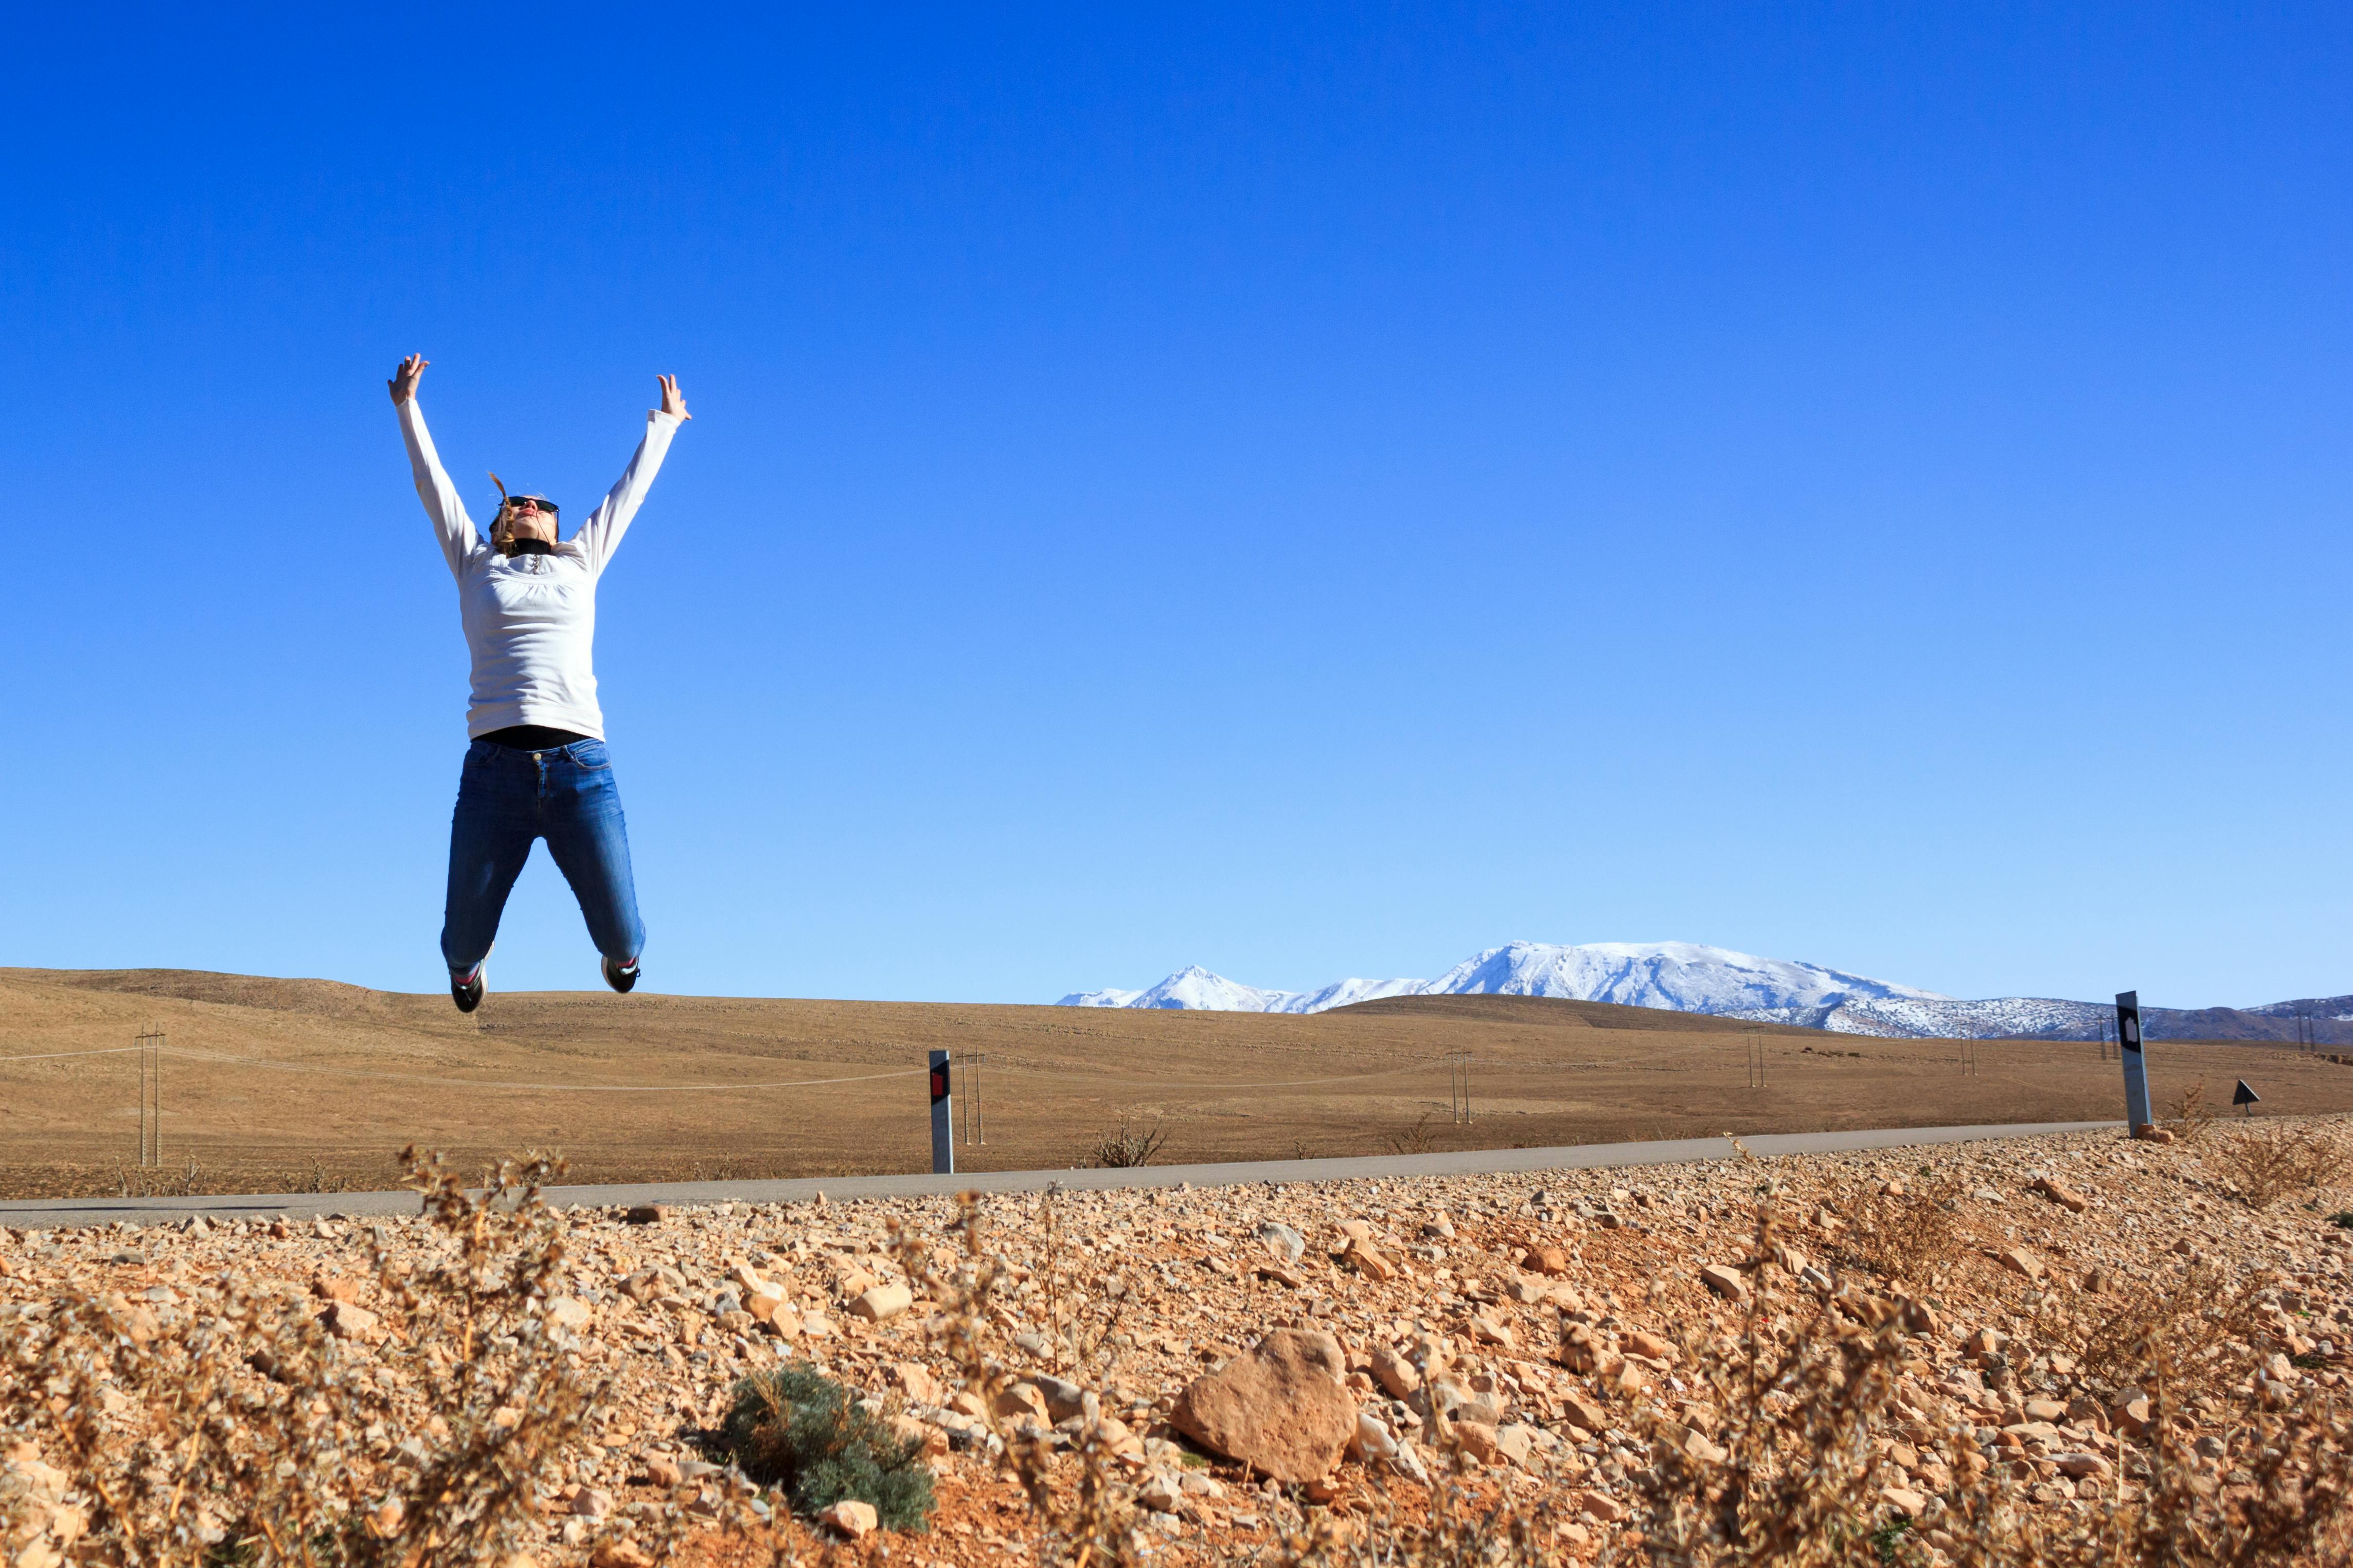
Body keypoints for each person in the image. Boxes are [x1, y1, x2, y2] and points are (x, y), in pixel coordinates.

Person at [387, 354, 690, 1011]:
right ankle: (470, 971)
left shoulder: (581, 560)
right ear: (500, 524)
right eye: (517, 503)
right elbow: (431, 482)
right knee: (458, 946)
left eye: (542, 504)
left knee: (624, 934)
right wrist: (407, 407)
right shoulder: (474, 563)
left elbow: (627, 494)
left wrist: (664, 425)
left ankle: (620, 958)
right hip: (494, 771)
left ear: (556, 526)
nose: (528, 505)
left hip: (581, 767)